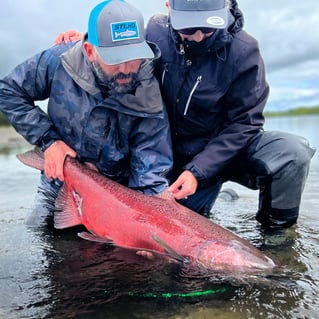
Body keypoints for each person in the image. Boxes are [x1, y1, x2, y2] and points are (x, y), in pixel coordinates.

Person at [54, 0, 315, 230]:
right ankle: (224, 198)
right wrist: (93, 47)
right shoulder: (154, 31)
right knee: (163, 238)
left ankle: (276, 238)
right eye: (189, 29)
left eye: (209, 27)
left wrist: (198, 171)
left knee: (292, 153)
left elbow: (244, 123)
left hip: (216, 155)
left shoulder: (245, 52)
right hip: (158, 157)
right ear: (169, 8)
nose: (199, 37)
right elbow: (125, 55)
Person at [0, 0, 173, 224]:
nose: (126, 69)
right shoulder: (59, 61)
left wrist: (150, 225)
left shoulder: (148, 93)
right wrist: (48, 141)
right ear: (90, 51)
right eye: (116, 60)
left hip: (115, 195)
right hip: (60, 178)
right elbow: (8, 91)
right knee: (40, 238)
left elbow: (151, 172)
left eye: (133, 57)